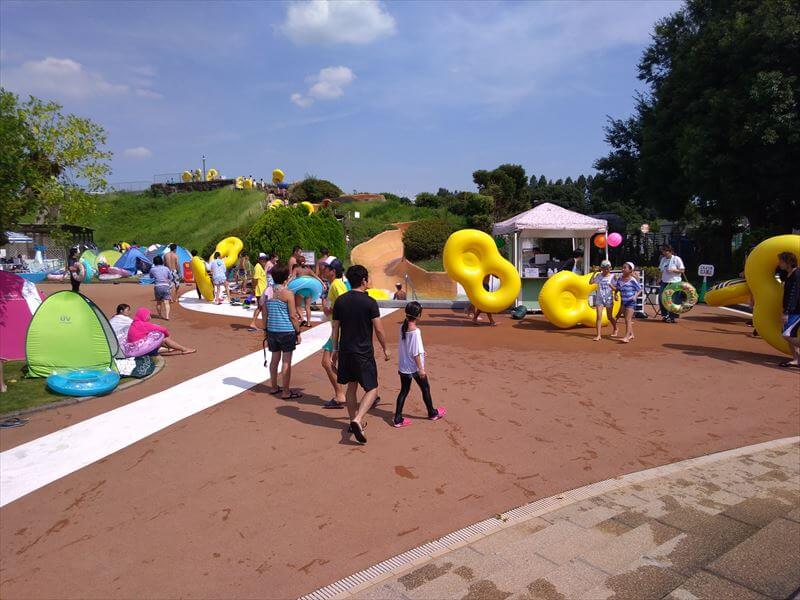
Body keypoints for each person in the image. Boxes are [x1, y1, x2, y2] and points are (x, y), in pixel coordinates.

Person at [331, 265, 391, 444]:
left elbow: (335, 328)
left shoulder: (340, 301)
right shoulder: (370, 302)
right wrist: (385, 348)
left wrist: (335, 349)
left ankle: (352, 420)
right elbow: (379, 329)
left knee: (351, 387)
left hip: (346, 350)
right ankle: (358, 419)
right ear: (364, 280)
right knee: (372, 388)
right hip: (363, 352)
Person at [393, 301, 446, 428]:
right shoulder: (415, 331)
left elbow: (411, 347)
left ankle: (397, 418)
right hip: (414, 367)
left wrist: (422, 352)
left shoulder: (403, 327)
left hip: (404, 366)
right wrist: (421, 369)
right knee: (425, 388)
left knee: (404, 391)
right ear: (418, 315)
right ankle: (432, 413)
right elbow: (415, 352)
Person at [264, 264, 302, 399]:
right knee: (286, 361)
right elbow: (293, 315)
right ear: (286, 278)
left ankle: (274, 386)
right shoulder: (288, 293)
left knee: (274, 359)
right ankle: (286, 391)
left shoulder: (267, 292)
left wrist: (265, 330)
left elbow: (264, 313)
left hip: (272, 330)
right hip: (286, 330)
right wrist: (298, 332)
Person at [320, 257, 349, 409]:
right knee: (333, 362)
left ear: (333, 271)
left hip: (339, 331)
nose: (323, 270)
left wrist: (326, 307)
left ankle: (340, 395)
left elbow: (345, 305)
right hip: (338, 330)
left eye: (325, 268)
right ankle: (370, 392)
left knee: (327, 362)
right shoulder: (336, 284)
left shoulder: (336, 285)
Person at [128, 307, 195, 355]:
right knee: (164, 339)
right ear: (144, 316)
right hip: (143, 352)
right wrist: (167, 335)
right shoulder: (143, 324)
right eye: (148, 315)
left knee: (157, 338)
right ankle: (184, 349)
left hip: (135, 349)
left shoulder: (135, 323)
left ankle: (170, 347)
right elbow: (163, 329)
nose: (150, 317)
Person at [778, 252, 800, 369]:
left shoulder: (797, 274)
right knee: (790, 333)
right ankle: (796, 359)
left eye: (781, 261)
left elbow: (793, 294)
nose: (779, 263)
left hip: (796, 310)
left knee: (787, 335)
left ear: (789, 262)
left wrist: (786, 311)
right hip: (791, 309)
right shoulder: (789, 274)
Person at [614, 262, 642, 343]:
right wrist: (615, 294)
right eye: (622, 267)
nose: (623, 269)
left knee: (627, 319)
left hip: (631, 302)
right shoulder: (619, 279)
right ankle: (631, 334)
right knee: (627, 319)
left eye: (625, 268)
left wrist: (635, 296)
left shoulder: (632, 280)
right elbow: (618, 288)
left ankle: (626, 337)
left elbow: (639, 289)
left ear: (630, 270)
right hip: (623, 301)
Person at [591, 260, 619, 341]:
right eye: (604, 268)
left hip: (608, 298)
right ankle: (598, 335)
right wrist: (594, 273)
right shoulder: (599, 276)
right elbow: (591, 282)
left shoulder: (613, 276)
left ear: (610, 268)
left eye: (608, 268)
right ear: (601, 268)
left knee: (609, 317)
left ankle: (615, 328)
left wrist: (616, 294)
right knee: (598, 317)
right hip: (599, 298)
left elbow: (616, 288)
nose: (606, 270)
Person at [658, 244, 685, 323]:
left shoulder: (676, 259)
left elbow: (682, 270)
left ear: (670, 251)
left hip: (674, 282)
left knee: (673, 299)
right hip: (664, 281)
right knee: (661, 298)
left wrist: (674, 270)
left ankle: (672, 316)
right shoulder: (663, 259)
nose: (664, 253)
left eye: (665, 251)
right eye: (663, 251)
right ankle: (665, 315)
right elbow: (661, 270)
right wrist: (659, 278)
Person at [248, 253, 269, 332]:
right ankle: (256, 323)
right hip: (260, 290)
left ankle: (260, 324)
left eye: (265, 259)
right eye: (263, 259)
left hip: (262, 290)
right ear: (259, 259)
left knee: (261, 308)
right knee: (262, 307)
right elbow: (255, 279)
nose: (264, 261)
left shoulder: (260, 267)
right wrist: (253, 289)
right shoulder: (258, 266)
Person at [150, 255, 175, 320]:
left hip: (157, 286)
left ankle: (160, 315)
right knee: (166, 302)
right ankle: (167, 316)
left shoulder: (152, 269)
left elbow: (151, 276)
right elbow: (171, 277)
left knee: (158, 302)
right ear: (162, 261)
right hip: (166, 286)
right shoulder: (166, 268)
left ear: (154, 262)